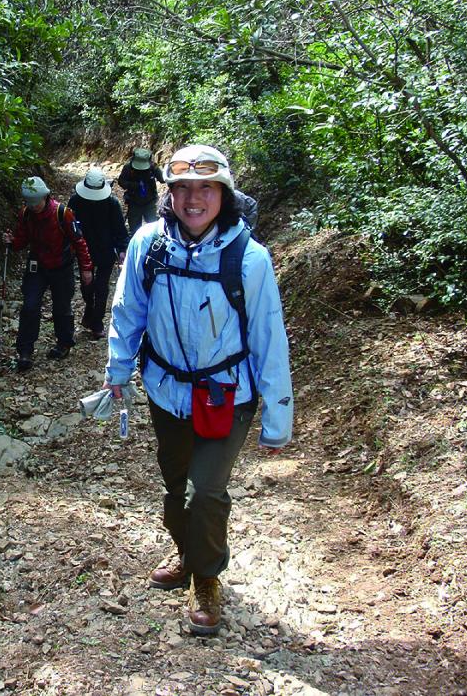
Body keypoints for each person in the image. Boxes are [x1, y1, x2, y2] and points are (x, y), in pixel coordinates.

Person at [104, 144, 293, 636]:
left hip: (227, 395)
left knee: (205, 491)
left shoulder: (249, 259)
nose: (193, 199)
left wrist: (277, 417)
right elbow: (128, 312)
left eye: (205, 188)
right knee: (175, 484)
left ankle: (206, 578)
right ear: (169, 194)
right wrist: (118, 371)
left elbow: (269, 338)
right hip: (166, 390)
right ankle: (187, 553)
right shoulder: (149, 245)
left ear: (223, 194)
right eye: (182, 188)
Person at [4, 176, 93, 372]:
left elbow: (79, 242)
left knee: (62, 307)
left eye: (37, 201)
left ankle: (64, 343)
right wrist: (12, 242)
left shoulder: (63, 213)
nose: (34, 206)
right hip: (37, 266)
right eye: (30, 202)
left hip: (62, 267)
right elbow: (22, 239)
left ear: (45, 196)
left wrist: (86, 268)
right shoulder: (26, 214)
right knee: (29, 306)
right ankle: (25, 351)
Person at [67, 167, 129, 340]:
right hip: (83, 250)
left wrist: (123, 249)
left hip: (106, 251)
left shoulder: (111, 203)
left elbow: (120, 229)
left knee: (101, 288)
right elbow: (69, 227)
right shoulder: (76, 201)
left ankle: (97, 323)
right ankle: (89, 308)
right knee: (86, 286)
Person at [116, 146, 165, 235]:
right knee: (134, 228)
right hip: (133, 201)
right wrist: (133, 186)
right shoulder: (128, 168)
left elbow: (162, 179)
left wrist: (157, 169)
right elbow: (121, 182)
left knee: (153, 227)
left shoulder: (152, 167)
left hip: (150, 201)